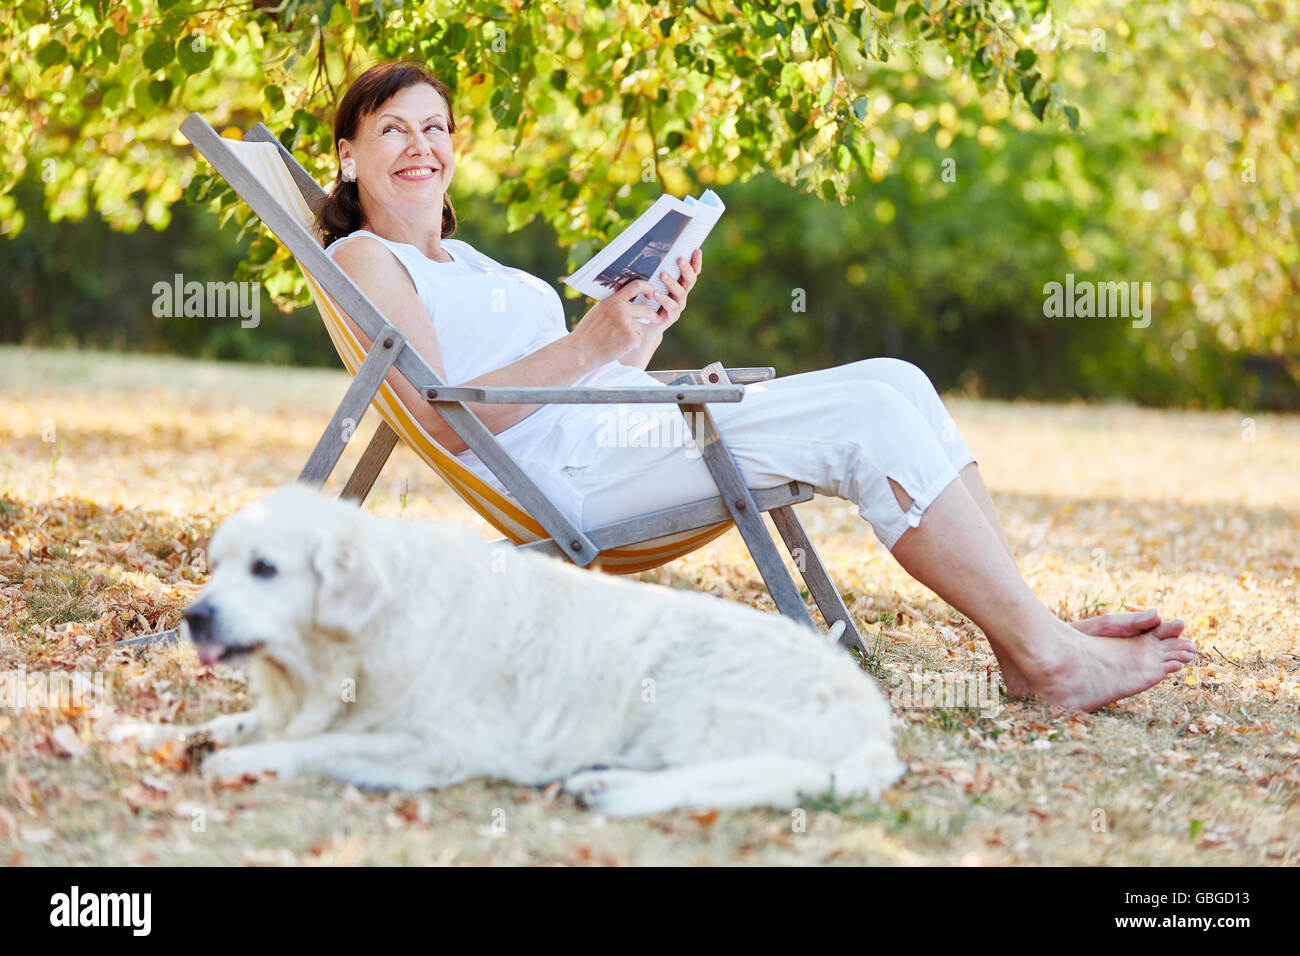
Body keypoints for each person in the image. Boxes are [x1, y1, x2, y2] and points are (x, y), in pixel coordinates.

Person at [320, 61, 1196, 711]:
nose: (421, 146)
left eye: (435, 127)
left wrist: (643, 325)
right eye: (392, 128)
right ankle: (1048, 659)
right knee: (863, 415)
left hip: (616, 434)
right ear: (350, 157)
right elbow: (445, 417)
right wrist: (590, 344)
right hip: (574, 482)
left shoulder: (466, 258)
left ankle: (1027, 638)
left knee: (896, 376)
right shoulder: (365, 257)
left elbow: (580, 375)